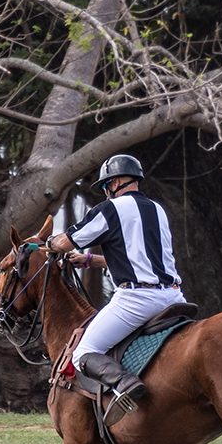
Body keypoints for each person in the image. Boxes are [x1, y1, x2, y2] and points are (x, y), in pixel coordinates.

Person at [45, 154, 187, 417]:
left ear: (118, 181)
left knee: (83, 352)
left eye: (106, 186)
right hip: (175, 297)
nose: (106, 192)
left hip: (138, 300)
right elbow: (138, 258)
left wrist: (48, 243)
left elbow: (65, 242)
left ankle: (126, 384)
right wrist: (90, 260)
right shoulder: (158, 210)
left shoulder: (110, 210)